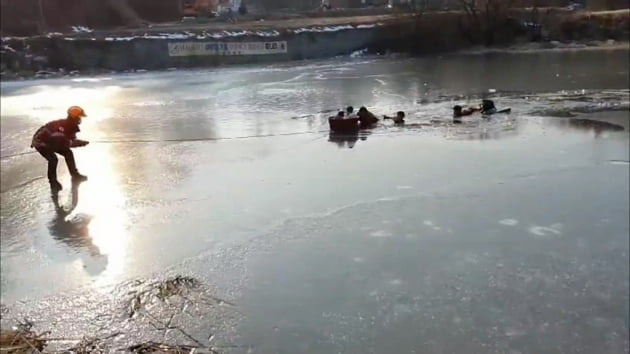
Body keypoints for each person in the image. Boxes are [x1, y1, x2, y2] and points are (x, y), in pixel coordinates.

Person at [31, 106, 89, 191]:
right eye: (79, 117)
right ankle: (53, 182)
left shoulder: (70, 125)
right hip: (41, 143)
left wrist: (79, 142)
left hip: (51, 142)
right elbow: (64, 142)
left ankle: (75, 175)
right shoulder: (64, 126)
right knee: (53, 159)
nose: (80, 119)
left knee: (68, 153)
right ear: (75, 117)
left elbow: (68, 140)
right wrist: (79, 143)